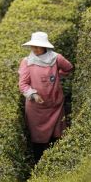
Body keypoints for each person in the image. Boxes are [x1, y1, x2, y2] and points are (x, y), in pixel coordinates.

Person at [18, 31, 73, 163]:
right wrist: (34, 94)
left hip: (55, 105)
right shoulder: (27, 62)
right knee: (38, 139)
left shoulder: (56, 58)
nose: (35, 49)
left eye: (38, 46)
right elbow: (23, 84)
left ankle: (56, 162)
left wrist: (58, 75)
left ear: (45, 47)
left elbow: (69, 68)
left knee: (57, 136)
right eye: (33, 47)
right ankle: (39, 164)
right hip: (36, 108)